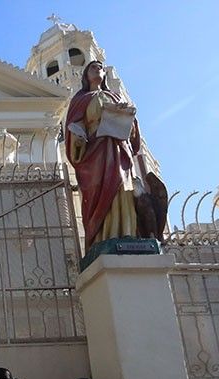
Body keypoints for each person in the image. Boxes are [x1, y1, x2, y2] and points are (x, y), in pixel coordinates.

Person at [65, 61, 141, 250]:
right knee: (98, 192)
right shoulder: (81, 99)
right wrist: (78, 137)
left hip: (119, 151)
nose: (98, 69)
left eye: (100, 67)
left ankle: (127, 233)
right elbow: (74, 127)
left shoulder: (114, 96)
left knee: (124, 190)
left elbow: (133, 133)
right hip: (96, 154)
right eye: (92, 67)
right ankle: (102, 239)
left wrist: (126, 114)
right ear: (85, 75)